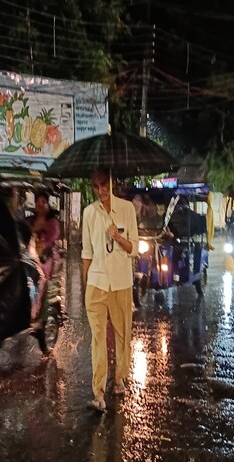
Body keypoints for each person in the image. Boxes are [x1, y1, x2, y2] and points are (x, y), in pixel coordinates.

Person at [82, 169, 139, 412]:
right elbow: (86, 253)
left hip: (121, 283)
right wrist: (85, 285)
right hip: (96, 283)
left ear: (112, 183)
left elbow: (134, 248)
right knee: (98, 339)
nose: (100, 190)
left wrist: (117, 236)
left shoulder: (127, 209)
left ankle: (119, 378)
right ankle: (99, 392)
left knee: (122, 334)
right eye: (95, 186)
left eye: (104, 184)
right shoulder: (89, 213)